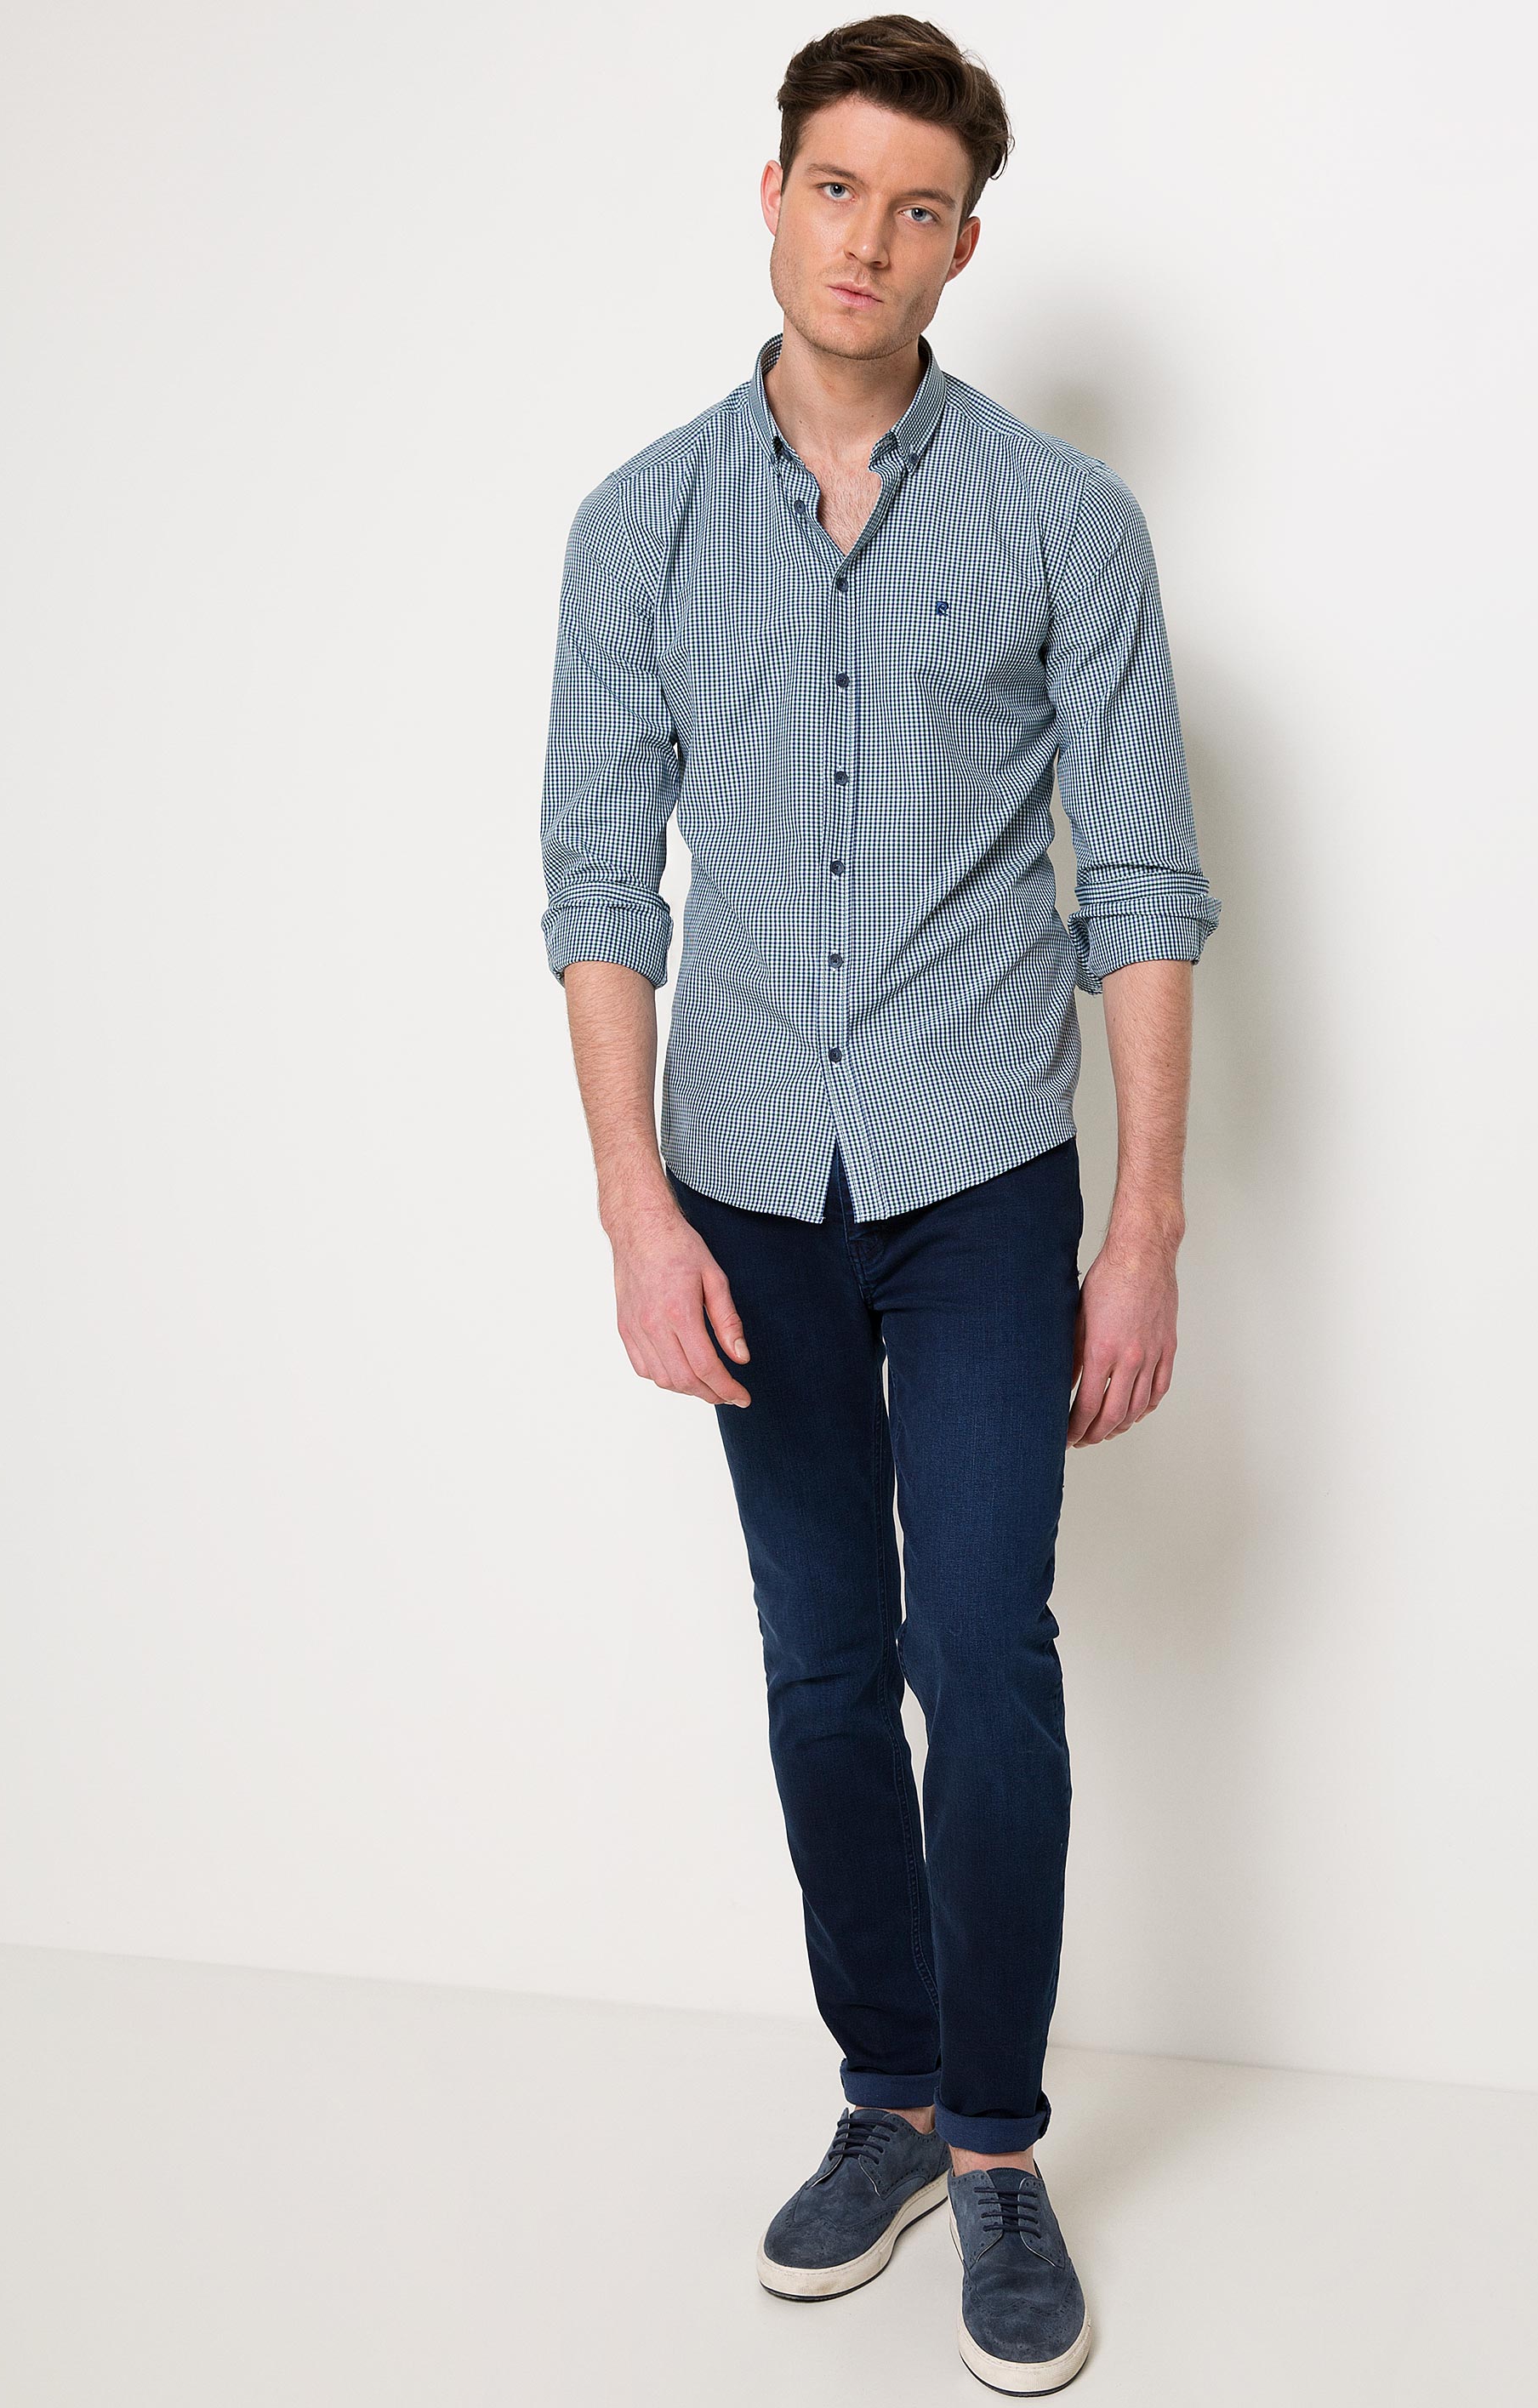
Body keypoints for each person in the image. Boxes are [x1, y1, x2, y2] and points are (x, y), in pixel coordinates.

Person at [538, 14, 1220, 2392]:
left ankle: (1004, 2146)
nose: (869, 239)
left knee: (982, 1651)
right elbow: (593, 889)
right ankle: (892, 2099)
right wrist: (633, 1209)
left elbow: (1144, 887)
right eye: (835, 188)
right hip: (741, 1182)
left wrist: (1143, 1230)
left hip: (981, 1171)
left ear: (962, 245)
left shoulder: (1063, 522)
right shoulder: (637, 525)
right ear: (772, 197)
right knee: (824, 1659)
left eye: (917, 208)